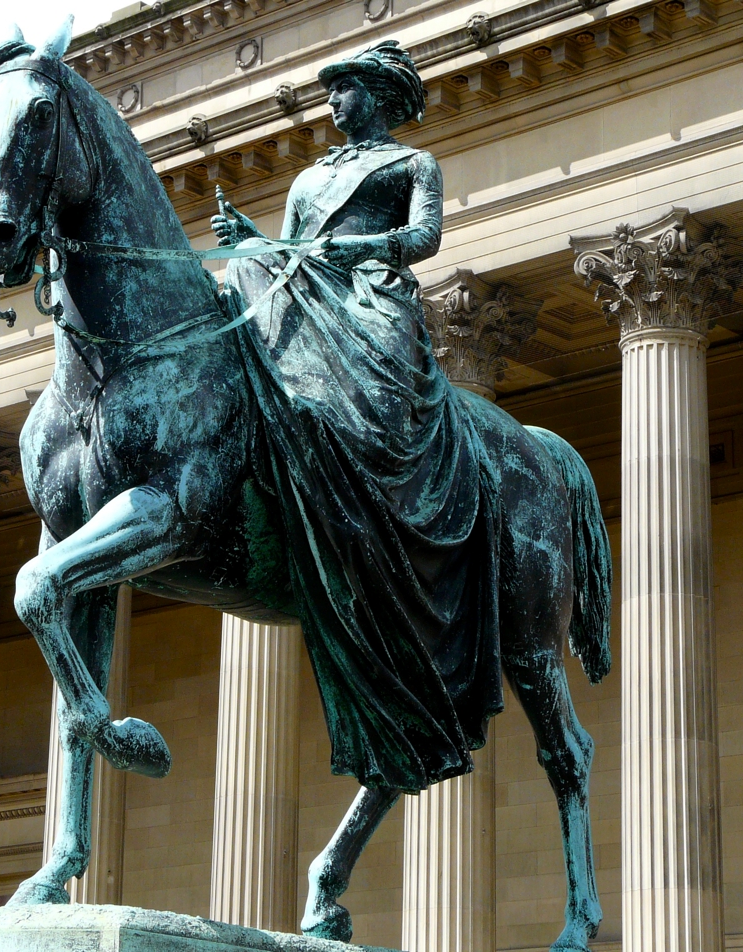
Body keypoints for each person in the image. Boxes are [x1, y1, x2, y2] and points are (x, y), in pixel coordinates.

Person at [213, 41, 504, 794]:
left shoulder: (413, 166)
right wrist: (258, 240)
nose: (334, 103)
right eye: (332, 91)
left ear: (378, 96)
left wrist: (352, 249)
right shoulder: (311, 176)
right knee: (240, 282)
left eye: (345, 90)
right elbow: (287, 252)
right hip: (309, 296)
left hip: (371, 299)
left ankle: (393, 503)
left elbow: (424, 238)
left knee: (377, 408)